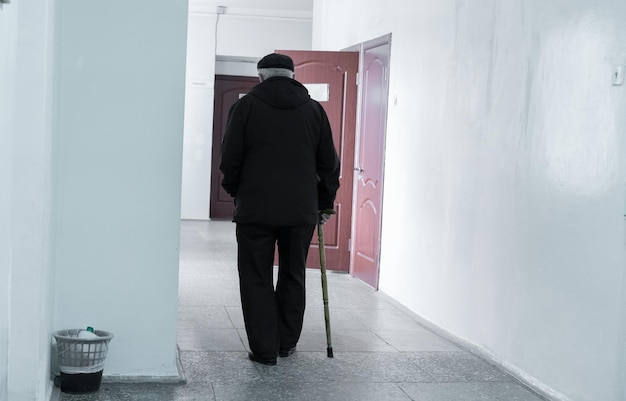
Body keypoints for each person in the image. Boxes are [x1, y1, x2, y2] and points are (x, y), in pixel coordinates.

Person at [220, 53, 340, 365]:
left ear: (260, 77)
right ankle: (286, 343)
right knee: (293, 274)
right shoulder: (314, 110)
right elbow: (329, 164)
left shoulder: (245, 107)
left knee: (255, 276)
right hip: (301, 211)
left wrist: (238, 192)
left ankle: (264, 349)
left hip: (255, 210)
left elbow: (229, 159)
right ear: (291, 76)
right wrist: (325, 203)